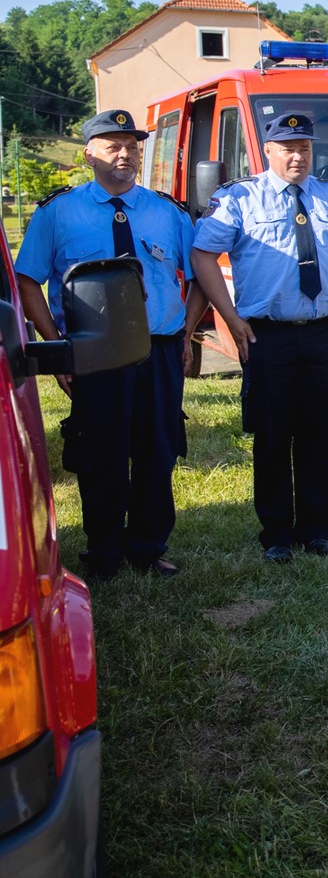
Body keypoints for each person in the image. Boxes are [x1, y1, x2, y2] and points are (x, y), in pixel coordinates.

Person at [16, 109, 201, 579]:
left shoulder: (168, 211)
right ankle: (102, 552)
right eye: (113, 145)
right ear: (89, 154)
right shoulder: (57, 212)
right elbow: (27, 282)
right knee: (102, 453)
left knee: (158, 449)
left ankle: (147, 546)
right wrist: (56, 346)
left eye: (133, 145)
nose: (126, 154)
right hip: (94, 352)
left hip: (158, 349)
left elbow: (199, 278)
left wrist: (186, 333)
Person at [191, 111, 328, 562]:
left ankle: (315, 530)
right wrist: (231, 318)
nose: (298, 156)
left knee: (320, 436)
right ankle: (275, 534)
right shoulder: (240, 199)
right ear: (268, 151)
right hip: (266, 336)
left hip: (322, 334)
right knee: (272, 437)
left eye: (305, 148)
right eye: (289, 148)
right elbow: (202, 255)